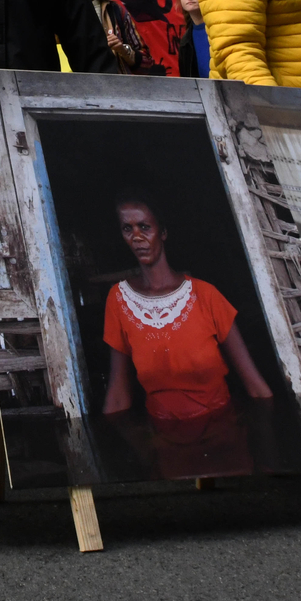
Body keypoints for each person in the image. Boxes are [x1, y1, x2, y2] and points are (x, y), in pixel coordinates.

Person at [99, 192, 272, 479]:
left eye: (145, 227)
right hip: (165, 443)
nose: (137, 237)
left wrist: (269, 463)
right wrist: (134, 448)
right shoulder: (118, 301)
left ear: (163, 232)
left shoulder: (206, 295)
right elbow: (118, 398)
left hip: (225, 434)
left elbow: (256, 388)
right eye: (127, 229)